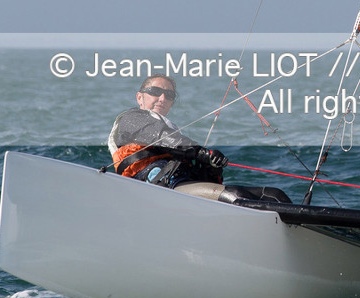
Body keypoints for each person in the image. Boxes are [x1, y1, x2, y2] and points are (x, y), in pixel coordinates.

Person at [107, 75, 289, 203]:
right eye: (155, 91)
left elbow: (207, 178)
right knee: (236, 196)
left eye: (169, 95)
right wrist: (202, 153)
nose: (162, 98)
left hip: (182, 186)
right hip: (157, 190)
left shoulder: (174, 132)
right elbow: (163, 138)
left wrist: (212, 165)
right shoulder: (130, 119)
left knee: (275, 194)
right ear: (139, 97)